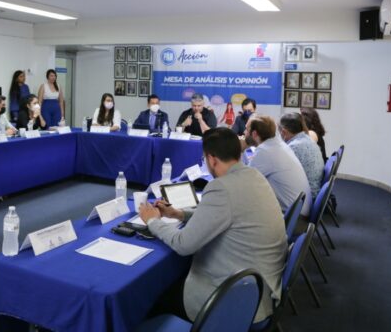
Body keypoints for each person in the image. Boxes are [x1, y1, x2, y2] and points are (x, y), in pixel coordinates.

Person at [138, 128, 287, 323]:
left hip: (233, 301)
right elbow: (226, 215)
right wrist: (178, 214)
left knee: (150, 299)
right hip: (259, 288)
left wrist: (152, 220)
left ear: (211, 159)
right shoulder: (254, 175)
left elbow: (183, 244)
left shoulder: (221, 187)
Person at [244, 115, 311, 216]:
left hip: (293, 218)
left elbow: (244, 182)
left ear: (254, 134)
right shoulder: (278, 144)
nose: (244, 132)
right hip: (300, 210)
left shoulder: (264, 151)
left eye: (246, 129)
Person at [279, 113, 325, 198]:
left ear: (284, 132)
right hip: (313, 190)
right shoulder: (307, 139)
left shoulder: (294, 147)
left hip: (305, 196)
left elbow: (281, 174)